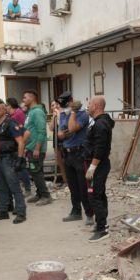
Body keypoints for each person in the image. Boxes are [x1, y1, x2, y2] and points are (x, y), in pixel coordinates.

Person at [56, 92, 93, 225]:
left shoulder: (82, 114)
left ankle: (89, 213)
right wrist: (63, 133)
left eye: (66, 103)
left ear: (71, 101)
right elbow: (60, 134)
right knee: (72, 186)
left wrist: (73, 112)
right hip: (68, 153)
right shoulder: (63, 114)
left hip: (79, 153)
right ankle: (76, 211)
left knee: (83, 186)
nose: (64, 106)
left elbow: (72, 128)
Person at [0, 99, 27, 224]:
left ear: (5, 109)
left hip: (9, 158)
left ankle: (21, 212)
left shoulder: (10, 123)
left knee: (14, 185)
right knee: (0, 185)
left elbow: (20, 141)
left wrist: (20, 158)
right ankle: (3, 210)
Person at [84, 96, 113, 242]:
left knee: (95, 195)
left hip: (98, 165)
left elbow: (100, 148)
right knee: (99, 194)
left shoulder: (100, 124)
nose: (87, 106)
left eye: (89, 104)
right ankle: (102, 223)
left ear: (95, 106)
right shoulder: (97, 122)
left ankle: (102, 229)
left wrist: (92, 167)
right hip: (97, 164)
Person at [21, 89, 52, 205]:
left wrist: (37, 148)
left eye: (25, 97)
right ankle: (39, 193)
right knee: (35, 171)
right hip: (31, 147)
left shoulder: (37, 112)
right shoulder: (31, 112)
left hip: (36, 148)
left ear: (32, 98)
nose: (23, 100)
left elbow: (42, 131)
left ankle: (46, 196)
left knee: (36, 171)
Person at [7, 97, 31, 194]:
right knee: (19, 167)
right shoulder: (15, 114)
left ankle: (27, 189)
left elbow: (24, 132)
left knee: (21, 167)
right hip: (19, 143)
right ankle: (25, 187)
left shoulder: (16, 115)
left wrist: (22, 145)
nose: (5, 107)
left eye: (6, 105)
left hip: (19, 143)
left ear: (10, 105)